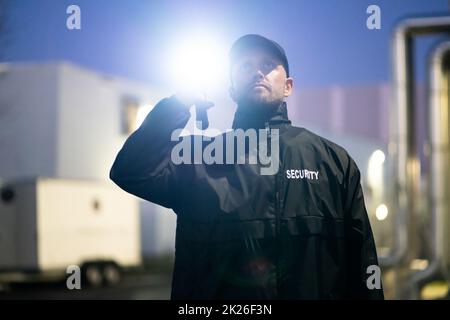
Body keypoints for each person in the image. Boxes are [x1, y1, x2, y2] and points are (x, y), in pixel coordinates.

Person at [110, 34, 384, 299]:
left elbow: (362, 264)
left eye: (267, 65)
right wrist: (176, 106)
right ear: (231, 89)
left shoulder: (333, 162)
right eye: (245, 66)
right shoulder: (198, 157)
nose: (257, 72)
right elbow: (131, 171)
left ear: (288, 85)